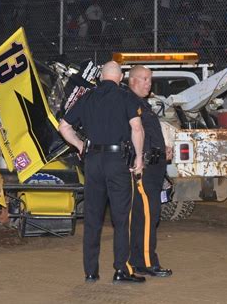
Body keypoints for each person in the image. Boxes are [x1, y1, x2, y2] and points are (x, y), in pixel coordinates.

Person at [58, 61, 146, 284]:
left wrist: (79, 146)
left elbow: (64, 127)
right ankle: (120, 270)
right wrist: (138, 157)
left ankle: (90, 271)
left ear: (100, 77)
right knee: (120, 217)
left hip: (93, 161)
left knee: (92, 218)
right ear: (121, 77)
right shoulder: (126, 97)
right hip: (117, 162)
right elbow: (136, 128)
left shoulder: (87, 97)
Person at [125, 65, 173, 278]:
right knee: (147, 216)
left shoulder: (143, 104)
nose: (148, 83)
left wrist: (163, 150)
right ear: (132, 80)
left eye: (150, 79)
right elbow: (132, 134)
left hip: (153, 167)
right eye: (144, 79)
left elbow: (149, 134)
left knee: (145, 217)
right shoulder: (130, 103)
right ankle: (146, 262)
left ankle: (138, 259)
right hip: (143, 169)